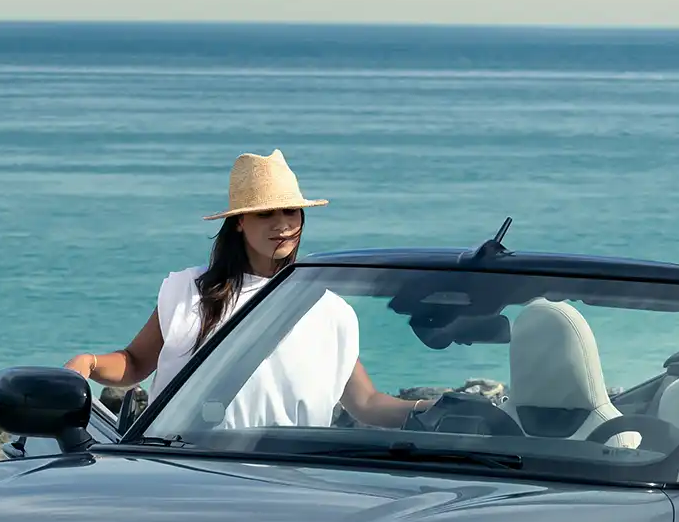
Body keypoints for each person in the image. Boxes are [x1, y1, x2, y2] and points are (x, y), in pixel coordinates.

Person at [67, 148, 423, 428]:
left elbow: (366, 404)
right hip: (186, 472)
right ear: (239, 222)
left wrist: (439, 409)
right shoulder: (190, 291)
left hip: (292, 480)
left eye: (291, 212)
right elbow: (134, 363)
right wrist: (89, 363)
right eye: (265, 214)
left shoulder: (328, 309)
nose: (282, 225)